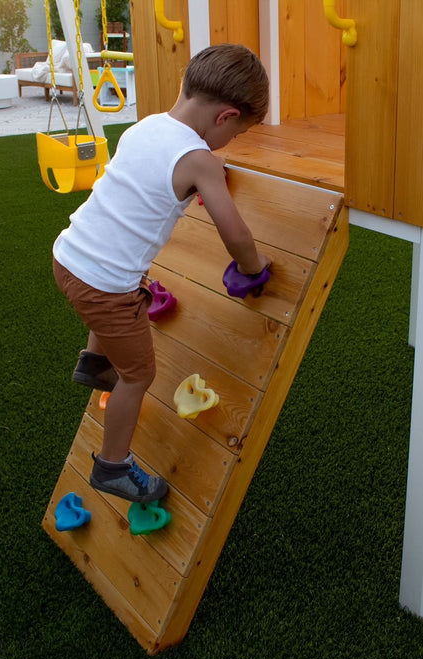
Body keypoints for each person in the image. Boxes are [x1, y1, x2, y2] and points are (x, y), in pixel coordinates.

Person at [52, 44, 271, 504]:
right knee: (138, 375)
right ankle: (113, 467)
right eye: (235, 134)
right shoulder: (200, 162)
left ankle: (93, 363)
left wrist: (208, 168)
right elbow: (236, 236)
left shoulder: (146, 125)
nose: (227, 146)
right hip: (103, 287)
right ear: (226, 117)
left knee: (129, 285)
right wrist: (254, 268)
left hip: (69, 255)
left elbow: (159, 173)